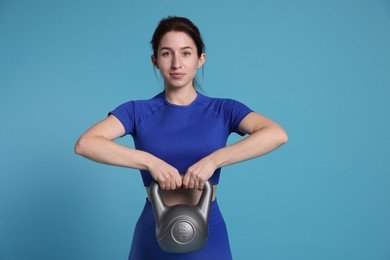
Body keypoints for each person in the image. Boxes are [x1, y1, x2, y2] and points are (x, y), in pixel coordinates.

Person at [74, 16, 288, 260]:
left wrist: (213, 160)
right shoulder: (137, 111)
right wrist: (150, 162)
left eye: (186, 53)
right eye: (167, 54)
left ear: (200, 59)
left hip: (208, 227)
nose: (177, 63)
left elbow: (276, 134)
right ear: (155, 61)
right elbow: (85, 144)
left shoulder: (223, 110)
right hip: (154, 228)